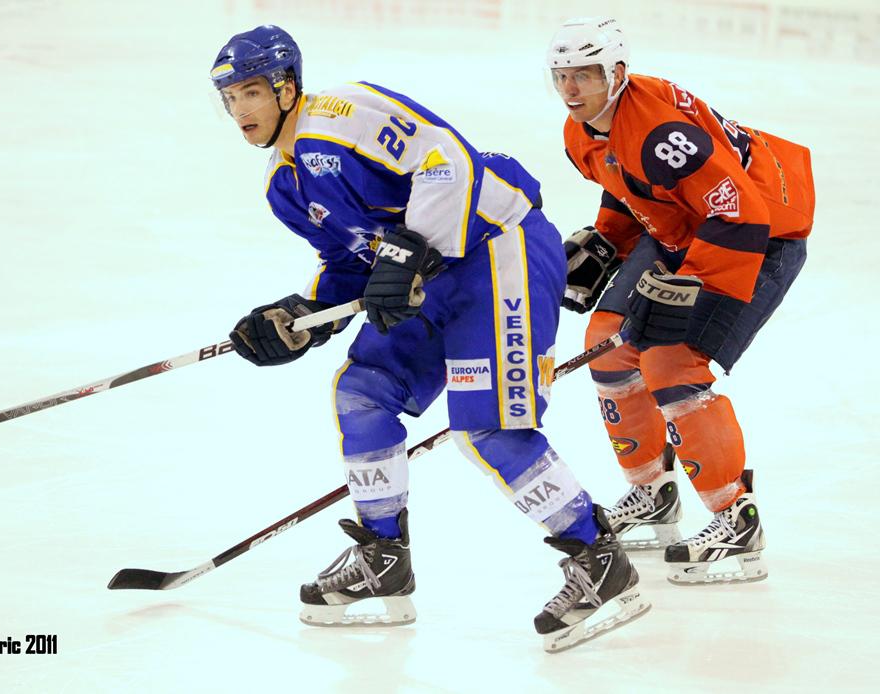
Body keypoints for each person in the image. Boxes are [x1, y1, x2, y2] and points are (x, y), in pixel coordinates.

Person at [211, 25, 649, 649]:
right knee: (362, 390)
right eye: (230, 98)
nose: (240, 110)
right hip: (431, 279)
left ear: (286, 88)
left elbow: (446, 158)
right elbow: (349, 264)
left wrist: (405, 253)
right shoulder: (284, 186)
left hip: (498, 250)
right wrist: (303, 317)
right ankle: (384, 557)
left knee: (490, 427)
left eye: (251, 92)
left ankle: (599, 560)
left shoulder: (339, 113)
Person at [546, 17, 814, 584]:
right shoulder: (583, 130)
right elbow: (628, 183)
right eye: (562, 75)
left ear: (616, 73)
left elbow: (740, 211)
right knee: (607, 345)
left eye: (585, 75)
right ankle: (653, 493)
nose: (571, 88)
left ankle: (736, 518)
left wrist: (683, 285)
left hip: (758, 237)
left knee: (672, 363)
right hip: (685, 226)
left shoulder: (659, 133)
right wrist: (608, 240)